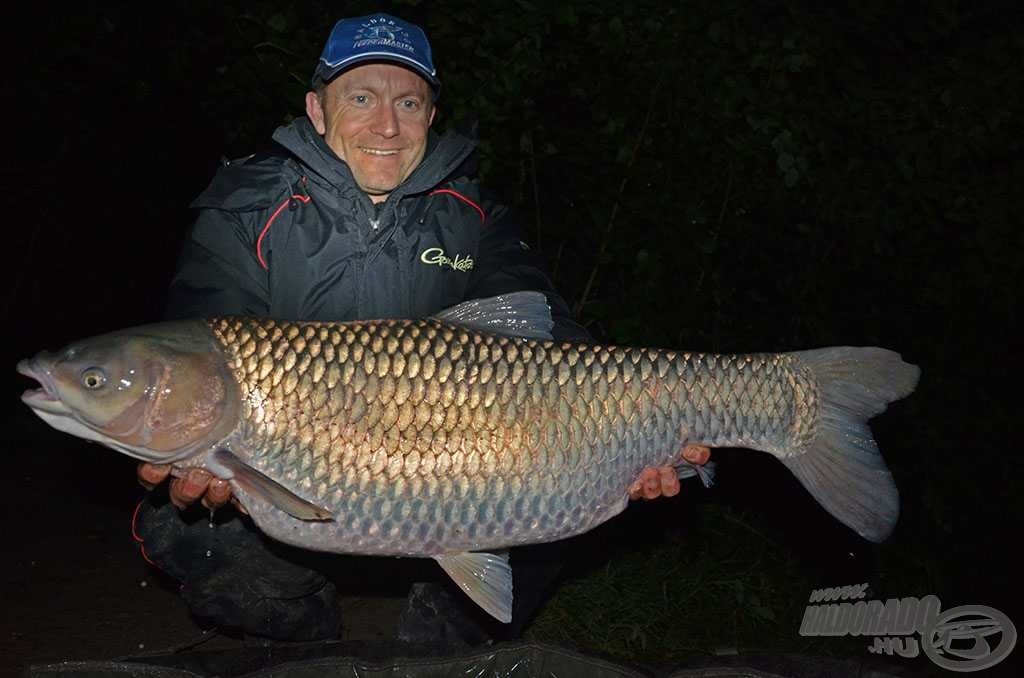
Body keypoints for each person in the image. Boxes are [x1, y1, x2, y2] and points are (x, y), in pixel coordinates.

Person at [133, 12, 711, 645]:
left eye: (408, 102)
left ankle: (438, 643)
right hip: (293, 471)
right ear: (317, 109)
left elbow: (555, 343)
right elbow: (202, 346)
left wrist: (635, 435)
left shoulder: (475, 216)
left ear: (430, 116)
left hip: (464, 471)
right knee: (185, 527)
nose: (387, 125)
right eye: (361, 98)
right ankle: (299, 642)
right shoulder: (246, 211)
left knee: (546, 515)